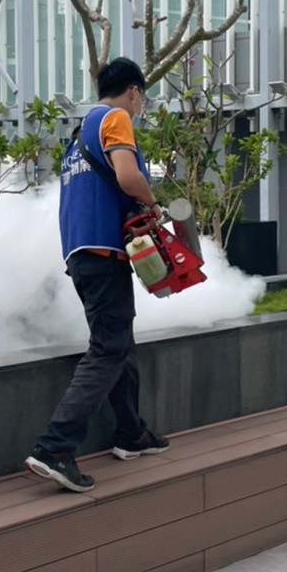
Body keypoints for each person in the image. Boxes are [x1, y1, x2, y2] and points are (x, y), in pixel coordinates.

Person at [26, 57, 169, 492]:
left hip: (81, 252)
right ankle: (55, 447)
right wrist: (154, 204)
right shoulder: (115, 118)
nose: (140, 105)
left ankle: (131, 433)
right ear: (134, 91)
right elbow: (128, 177)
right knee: (108, 349)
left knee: (118, 342)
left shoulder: (79, 134)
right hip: (103, 252)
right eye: (142, 97)